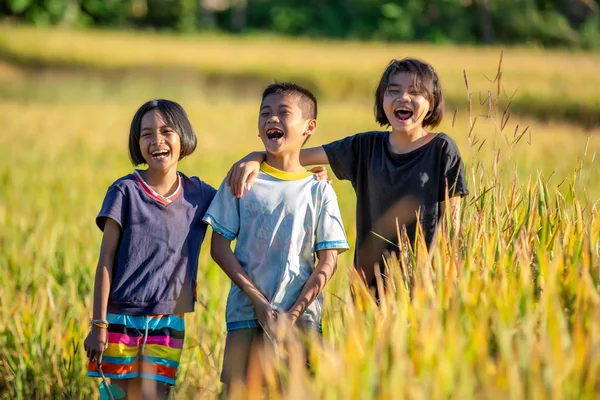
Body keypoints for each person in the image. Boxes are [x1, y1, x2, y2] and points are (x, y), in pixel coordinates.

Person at [225, 58, 468, 292]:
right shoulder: (364, 147)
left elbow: (452, 225)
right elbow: (292, 156)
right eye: (393, 91)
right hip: (369, 283)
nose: (403, 97)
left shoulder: (442, 149)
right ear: (382, 99)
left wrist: (444, 278)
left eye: (415, 92)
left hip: (425, 282)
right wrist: (255, 157)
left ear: (432, 101)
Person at [203, 82, 349, 393]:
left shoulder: (319, 190)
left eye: (284, 113)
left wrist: (293, 314)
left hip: (302, 319)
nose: (272, 119)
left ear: (309, 127)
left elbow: (328, 261)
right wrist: (258, 302)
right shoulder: (241, 179)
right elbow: (218, 247)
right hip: (246, 314)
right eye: (265, 113)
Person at [83, 99, 217, 399]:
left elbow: (243, 204)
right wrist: (98, 323)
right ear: (137, 142)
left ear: (183, 136)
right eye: (147, 134)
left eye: (166, 131)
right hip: (119, 318)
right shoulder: (124, 191)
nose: (157, 140)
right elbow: (105, 258)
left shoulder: (201, 195)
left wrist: (303, 177)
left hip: (169, 319)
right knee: (116, 396)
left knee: (156, 396)